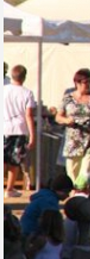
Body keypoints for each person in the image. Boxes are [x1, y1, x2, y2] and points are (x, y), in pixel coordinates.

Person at [56, 69, 90, 183]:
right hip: (73, 141)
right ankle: (75, 193)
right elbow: (58, 117)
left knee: (86, 171)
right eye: (86, 82)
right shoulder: (67, 98)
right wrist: (66, 120)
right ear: (77, 83)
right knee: (72, 172)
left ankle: (84, 191)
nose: (89, 84)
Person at [4, 65, 37, 198]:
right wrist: (32, 136)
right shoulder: (27, 93)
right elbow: (29, 115)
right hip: (19, 129)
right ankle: (9, 188)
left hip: (4, 128)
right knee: (14, 161)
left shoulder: (4, 90)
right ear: (24, 77)